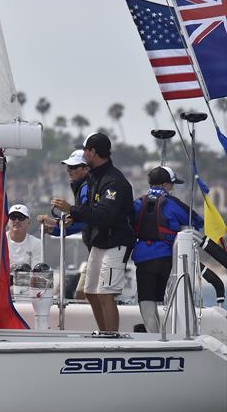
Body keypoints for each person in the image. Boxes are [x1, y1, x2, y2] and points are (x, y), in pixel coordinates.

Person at [52, 132, 134, 332]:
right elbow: (90, 210)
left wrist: (71, 209)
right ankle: (104, 333)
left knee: (105, 293)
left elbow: (104, 215)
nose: (83, 153)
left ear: (93, 152)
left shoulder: (113, 180)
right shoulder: (94, 176)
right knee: (90, 292)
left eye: (85, 150)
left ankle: (112, 338)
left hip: (116, 242)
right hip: (100, 241)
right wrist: (74, 216)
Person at [132, 166, 220, 332]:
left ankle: (153, 335)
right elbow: (197, 221)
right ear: (166, 185)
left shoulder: (137, 203)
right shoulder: (173, 204)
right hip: (167, 259)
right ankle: (172, 333)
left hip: (143, 258)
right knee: (171, 298)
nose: (172, 187)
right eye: (172, 184)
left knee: (147, 300)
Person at [37, 149, 90, 299]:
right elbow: (79, 218)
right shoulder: (82, 186)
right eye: (68, 167)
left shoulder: (86, 188)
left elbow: (84, 219)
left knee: (87, 293)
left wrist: (55, 226)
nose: (69, 170)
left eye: (73, 167)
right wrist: (54, 227)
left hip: (101, 248)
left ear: (86, 168)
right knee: (83, 293)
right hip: (96, 248)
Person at [6, 204, 42, 270]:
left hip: (26, 280)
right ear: (8, 221)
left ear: (28, 222)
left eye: (21, 217)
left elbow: (36, 273)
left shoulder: (37, 244)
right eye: (13, 217)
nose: (17, 221)